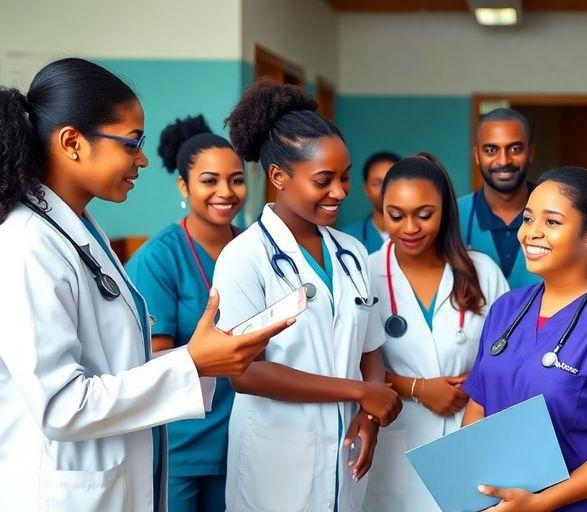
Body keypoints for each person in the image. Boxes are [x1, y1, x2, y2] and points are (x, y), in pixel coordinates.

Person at [0, 58, 291, 511]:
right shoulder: (26, 245)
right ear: (73, 142)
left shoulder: (78, 230)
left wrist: (204, 358)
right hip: (60, 492)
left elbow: (114, 363)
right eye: (131, 143)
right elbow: (62, 405)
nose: (141, 159)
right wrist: (192, 363)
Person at [214, 81, 402, 512]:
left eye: (345, 177)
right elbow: (244, 373)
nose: (340, 191)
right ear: (279, 177)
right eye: (324, 180)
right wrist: (358, 393)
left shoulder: (353, 253)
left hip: (343, 456)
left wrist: (370, 414)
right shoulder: (244, 257)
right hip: (276, 459)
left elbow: (370, 349)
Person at [463, 166, 587, 511]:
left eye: (552, 222)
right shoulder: (506, 310)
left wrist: (539, 504)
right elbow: (478, 406)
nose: (532, 233)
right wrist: (472, 490)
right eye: (527, 219)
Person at [362, 153, 509, 511]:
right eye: (396, 215)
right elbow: (348, 365)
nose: (410, 228)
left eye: (424, 214)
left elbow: (510, 355)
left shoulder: (482, 272)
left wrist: (477, 385)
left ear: (444, 210)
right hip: (396, 440)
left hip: (469, 435)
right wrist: (418, 388)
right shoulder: (364, 273)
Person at [125, 114, 245, 511]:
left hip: (245, 435)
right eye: (209, 181)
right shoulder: (159, 258)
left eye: (236, 179)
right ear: (184, 185)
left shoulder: (256, 251)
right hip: (182, 445)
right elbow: (156, 361)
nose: (225, 192)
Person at [457, 108, 541, 289]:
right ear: (477, 155)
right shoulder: (452, 216)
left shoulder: (559, 214)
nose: (503, 161)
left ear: (531, 153)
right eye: (491, 150)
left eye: (515, 149)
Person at [340, 150, 400, 251]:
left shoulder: (418, 233)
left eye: (391, 181)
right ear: (366, 188)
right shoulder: (348, 237)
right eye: (377, 183)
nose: (384, 189)